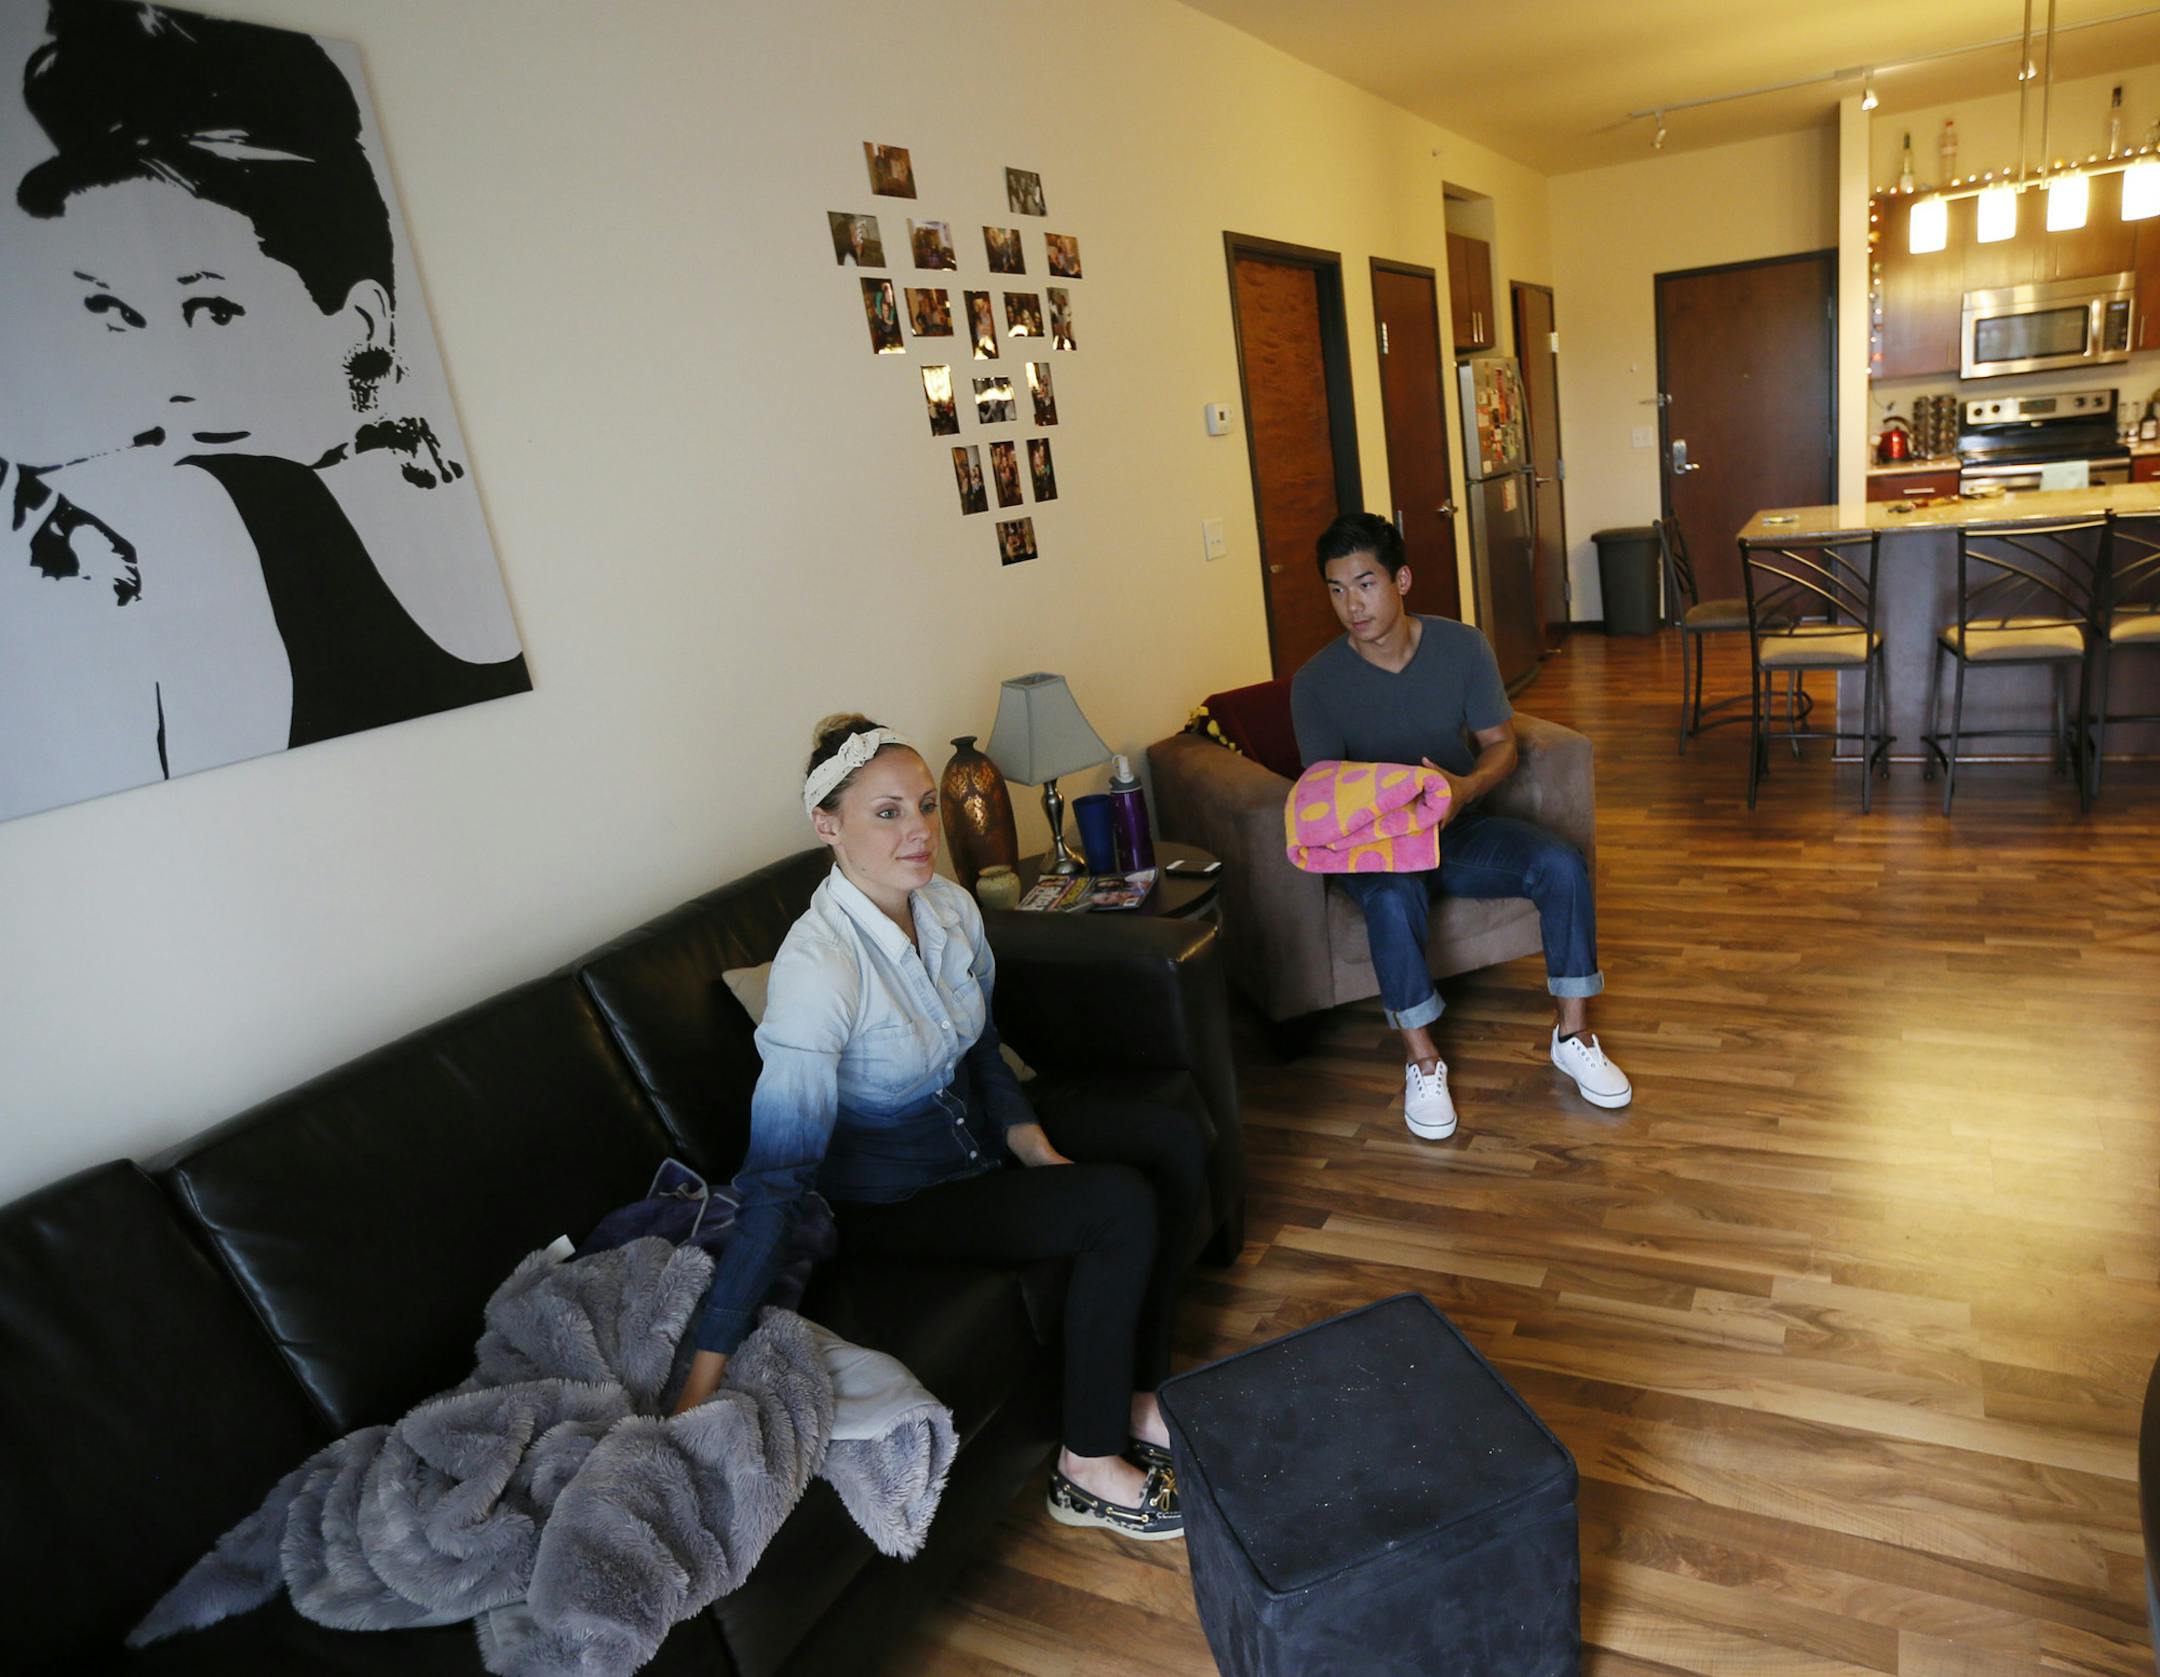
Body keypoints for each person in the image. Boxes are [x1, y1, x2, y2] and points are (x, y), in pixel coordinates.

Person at [673, 716, 1204, 1541]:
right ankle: (1087, 1467)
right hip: (897, 1199)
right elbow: (775, 1178)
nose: (920, 829)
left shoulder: (948, 908)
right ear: (828, 825)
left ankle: (1139, 1395)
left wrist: (1031, 1142)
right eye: (886, 812)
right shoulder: (820, 969)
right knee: (1116, 1205)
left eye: (922, 804)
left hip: (979, 1139)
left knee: (1173, 1137)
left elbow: (981, 1047)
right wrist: (700, 1377)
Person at [1, 0, 525, 815]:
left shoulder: (218, 506)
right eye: (113, 317)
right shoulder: (128, 519)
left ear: (359, 325)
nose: (158, 380)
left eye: (211, 312)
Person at [1291, 513, 1630, 1138]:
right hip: (1379, 849)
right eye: (1336, 589)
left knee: (1560, 864)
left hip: (1458, 828)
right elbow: (1327, 791)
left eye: (1365, 583)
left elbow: (1500, 742)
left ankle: (1573, 1033)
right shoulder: (1315, 683)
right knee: (1392, 900)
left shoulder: (1462, 647)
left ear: (1403, 579)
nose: (1352, 605)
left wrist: (1464, 789)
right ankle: (1422, 1062)